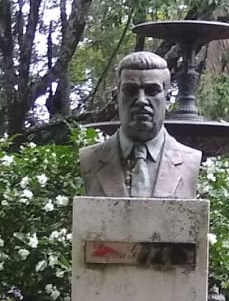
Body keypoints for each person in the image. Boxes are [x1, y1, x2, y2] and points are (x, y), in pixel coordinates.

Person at [79, 51, 202, 198]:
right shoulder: (89, 160)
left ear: (167, 97)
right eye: (131, 90)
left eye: (152, 90)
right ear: (118, 96)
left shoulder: (190, 161)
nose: (141, 100)